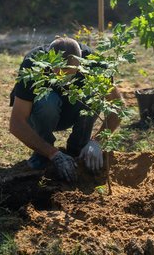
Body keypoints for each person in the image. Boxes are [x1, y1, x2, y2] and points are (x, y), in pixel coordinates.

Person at [9, 37, 122, 182]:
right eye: (59, 71)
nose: (63, 78)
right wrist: (53, 154)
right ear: (49, 61)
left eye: (69, 73)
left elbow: (118, 106)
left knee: (94, 94)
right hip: (41, 115)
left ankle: (79, 149)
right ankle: (43, 153)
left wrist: (97, 142)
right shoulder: (33, 65)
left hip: (75, 111)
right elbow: (17, 123)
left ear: (81, 61)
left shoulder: (95, 65)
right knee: (47, 101)